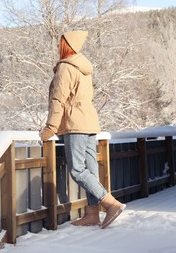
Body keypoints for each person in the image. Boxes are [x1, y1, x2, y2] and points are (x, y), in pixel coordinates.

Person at [39, 30, 126, 229]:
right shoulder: (83, 67)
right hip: (89, 122)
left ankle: (111, 204)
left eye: (60, 43)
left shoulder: (66, 67)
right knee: (90, 169)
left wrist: (50, 127)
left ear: (67, 44)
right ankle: (92, 214)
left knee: (78, 170)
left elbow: (58, 99)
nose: (57, 46)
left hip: (75, 123)